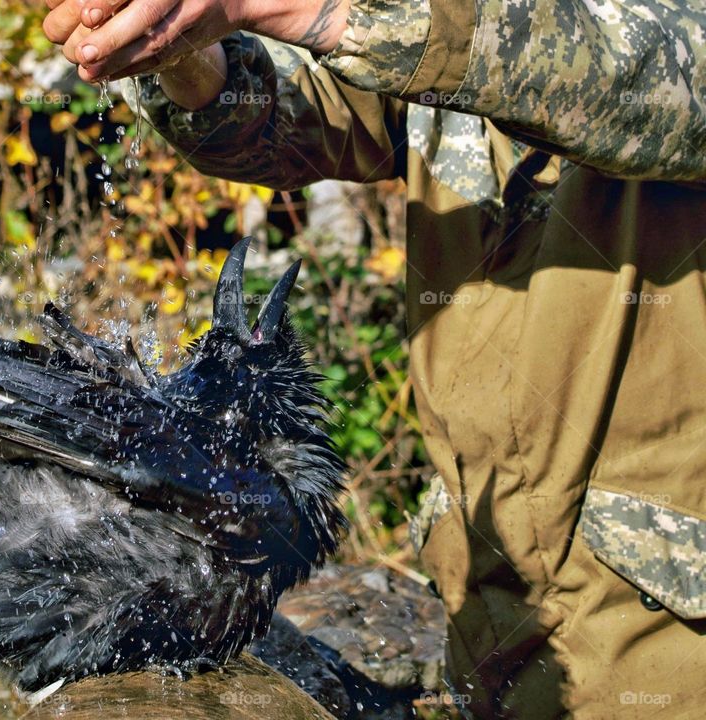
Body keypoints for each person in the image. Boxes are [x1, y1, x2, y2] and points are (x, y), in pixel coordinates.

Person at [42, 1, 706, 717]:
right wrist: (177, 46)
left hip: (660, 663)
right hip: (490, 635)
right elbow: (279, 119)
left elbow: (637, 74)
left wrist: (291, 7)